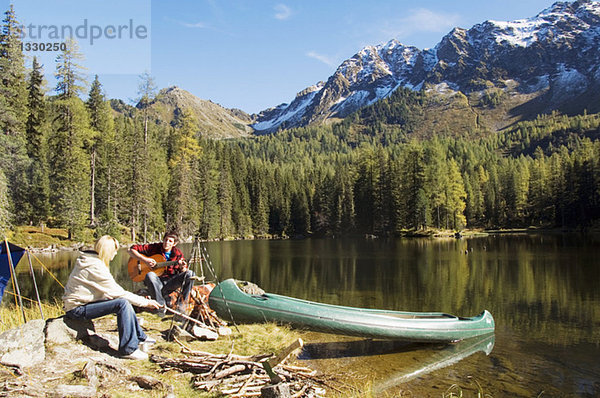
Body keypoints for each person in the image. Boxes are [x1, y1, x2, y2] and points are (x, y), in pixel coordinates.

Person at [62, 235, 160, 360]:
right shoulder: (95, 266)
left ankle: (140, 337)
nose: (115, 255)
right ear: (107, 251)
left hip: (83, 303)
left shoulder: (91, 260)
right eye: (114, 251)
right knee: (122, 303)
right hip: (77, 309)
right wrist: (145, 303)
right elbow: (119, 293)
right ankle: (128, 350)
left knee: (122, 302)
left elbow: (100, 290)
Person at [128, 231, 195, 317]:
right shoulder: (154, 248)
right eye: (166, 240)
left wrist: (183, 267)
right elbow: (131, 250)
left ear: (174, 243)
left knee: (190, 274)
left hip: (170, 283)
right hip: (156, 283)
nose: (167, 242)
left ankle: (181, 307)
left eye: (170, 241)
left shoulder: (177, 254)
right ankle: (161, 307)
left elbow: (183, 273)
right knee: (150, 275)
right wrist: (145, 260)